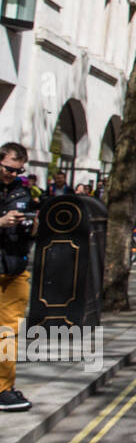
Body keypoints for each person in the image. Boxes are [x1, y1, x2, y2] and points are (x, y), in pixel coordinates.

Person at [0, 143, 35, 412]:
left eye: (18, 170)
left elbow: (29, 234)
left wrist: (32, 226)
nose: (13, 173)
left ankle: (3, 388)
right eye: (9, 168)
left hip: (14, 269)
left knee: (8, 333)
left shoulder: (23, 191)